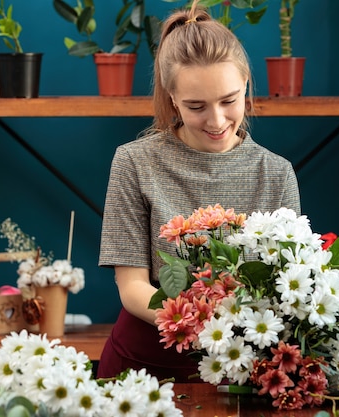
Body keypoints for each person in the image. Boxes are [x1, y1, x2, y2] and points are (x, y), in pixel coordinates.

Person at [97, 0, 301, 382]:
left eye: (229, 100)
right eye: (196, 106)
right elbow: (132, 287)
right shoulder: (133, 162)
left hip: (242, 368)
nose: (217, 120)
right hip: (145, 364)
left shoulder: (277, 174)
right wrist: (199, 325)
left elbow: (284, 289)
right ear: (172, 97)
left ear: (246, 86)